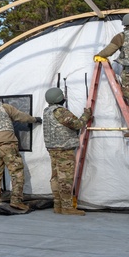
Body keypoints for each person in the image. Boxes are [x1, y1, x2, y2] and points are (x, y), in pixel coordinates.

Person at [0, 96, 40, 212]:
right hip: (7, 144)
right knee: (16, 172)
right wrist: (34, 119)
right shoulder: (4, 107)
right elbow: (21, 117)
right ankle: (16, 201)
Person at [42, 87, 92, 216]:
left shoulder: (47, 111)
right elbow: (77, 124)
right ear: (60, 98)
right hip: (64, 149)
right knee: (66, 179)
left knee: (55, 177)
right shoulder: (60, 111)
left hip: (52, 148)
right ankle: (67, 207)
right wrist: (87, 115)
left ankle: (57, 205)